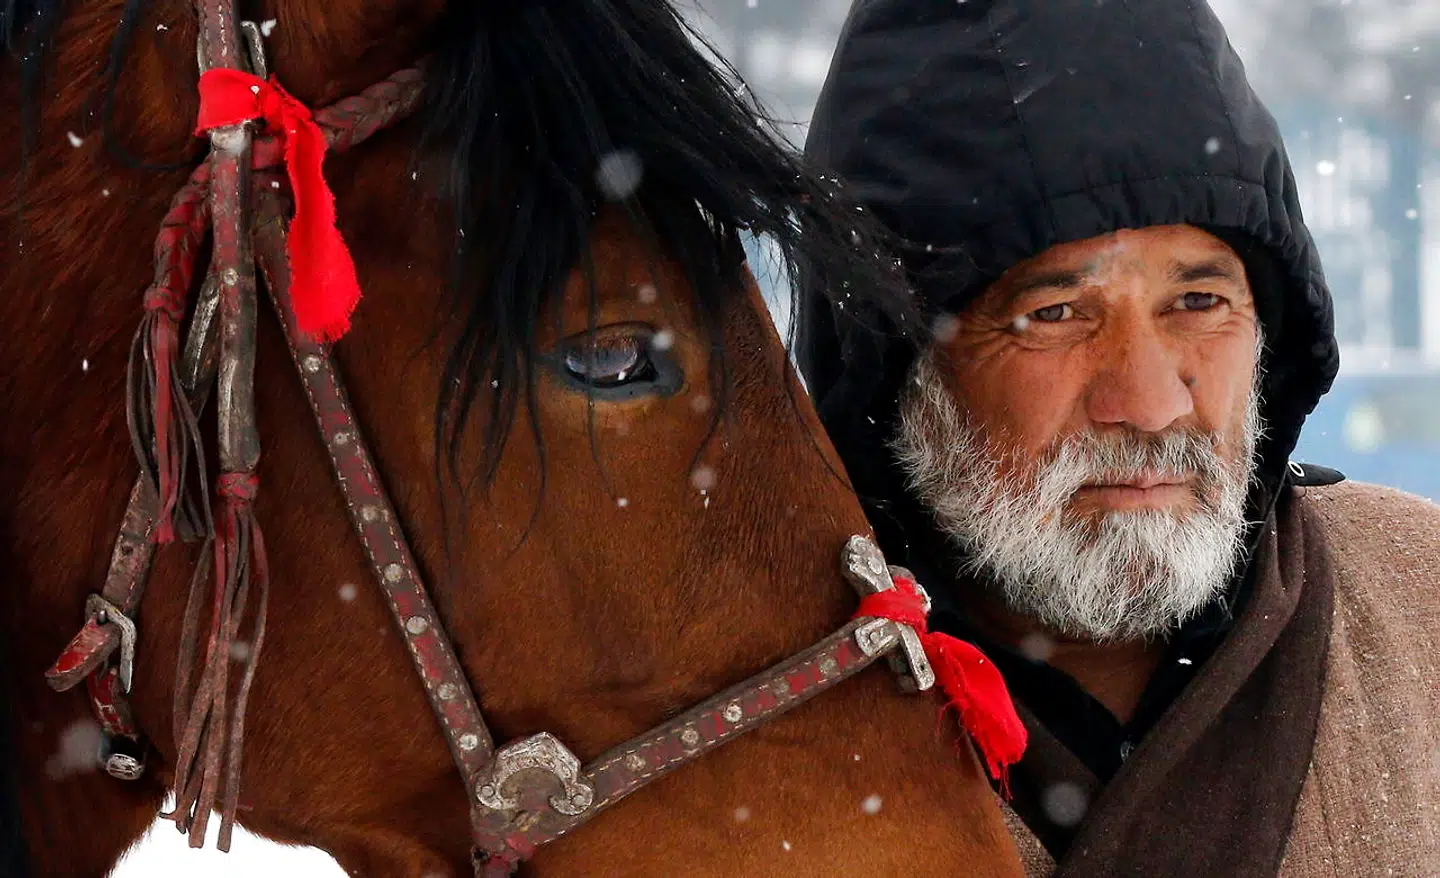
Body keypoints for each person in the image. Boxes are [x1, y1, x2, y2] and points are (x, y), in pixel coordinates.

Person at [798, 1, 1440, 875]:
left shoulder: (1418, 599)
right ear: (896, 367)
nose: (1148, 401)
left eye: (1200, 302)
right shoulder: (741, 688)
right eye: (1055, 313)